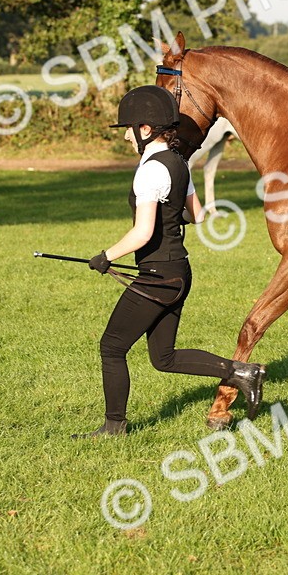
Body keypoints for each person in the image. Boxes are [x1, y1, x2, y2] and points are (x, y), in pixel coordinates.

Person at [73, 85, 265, 438]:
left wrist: (106, 257)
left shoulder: (150, 171)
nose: (126, 137)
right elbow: (197, 215)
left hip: (158, 277)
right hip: (178, 273)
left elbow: (143, 233)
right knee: (163, 358)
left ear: (145, 129)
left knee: (112, 347)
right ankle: (242, 371)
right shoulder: (178, 162)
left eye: (129, 130)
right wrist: (172, 210)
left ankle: (114, 426)